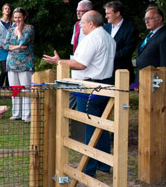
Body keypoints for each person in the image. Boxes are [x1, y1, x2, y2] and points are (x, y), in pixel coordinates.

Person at [43, 10, 115, 177]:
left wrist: (58, 62)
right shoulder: (108, 38)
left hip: (90, 86)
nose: (80, 26)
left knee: (88, 127)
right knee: (101, 125)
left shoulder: (92, 38)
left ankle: (88, 168)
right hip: (105, 84)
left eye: (82, 22)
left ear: (91, 23)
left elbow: (81, 64)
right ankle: (103, 164)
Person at [4, 7, 34, 123]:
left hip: (25, 63)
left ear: (24, 17)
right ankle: (16, 114)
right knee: (15, 89)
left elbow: (24, 42)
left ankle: (27, 115)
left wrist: (20, 31)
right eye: (15, 18)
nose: (17, 20)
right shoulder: (10, 30)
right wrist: (16, 47)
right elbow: (6, 45)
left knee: (26, 89)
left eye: (19, 17)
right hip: (11, 63)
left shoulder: (29, 28)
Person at [136, 6, 166, 81]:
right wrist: (137, 82)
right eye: (145, 19)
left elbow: (165, 64)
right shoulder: (150, 35)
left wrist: (159, 83)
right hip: (142, 80)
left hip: (154, 83)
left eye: (149, 18)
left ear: (159, 19)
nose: (146, 21)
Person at [103, 1, 139, 84]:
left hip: (122, 72)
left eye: (108, 13)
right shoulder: (105, 28)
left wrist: (110, 57)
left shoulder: (130, 29)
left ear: (117, 13)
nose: (106, 16)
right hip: (105, 73)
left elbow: (128, 49)